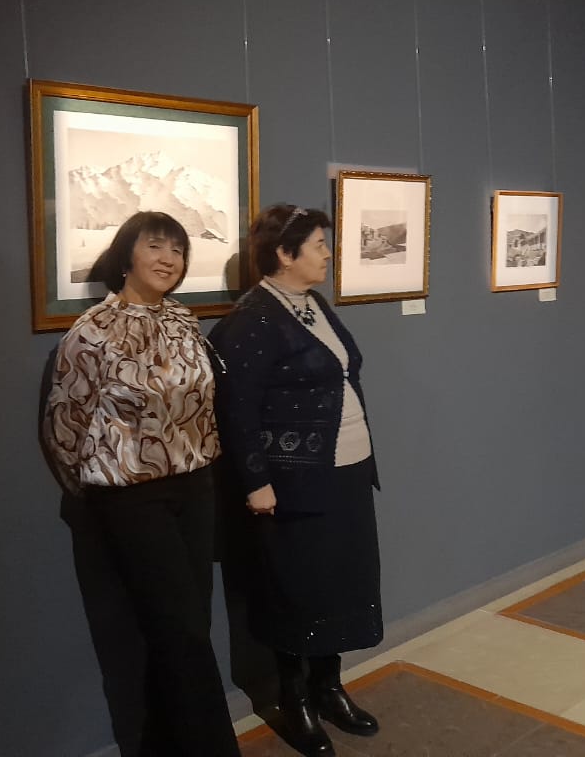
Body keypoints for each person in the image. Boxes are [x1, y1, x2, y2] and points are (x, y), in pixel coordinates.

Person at [43, 211, 240, 757]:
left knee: (186, 625)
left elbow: (204, 406)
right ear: (126, 254)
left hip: (196, 487)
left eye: (177, 250)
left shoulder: (183, 321)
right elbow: (65, 425)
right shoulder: (92, 331)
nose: (168, 259)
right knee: (181, 631)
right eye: (155, 246)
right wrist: (103, 488)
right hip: (132, 497)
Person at [209, 203, 383, 757]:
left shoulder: (313, 304)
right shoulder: (251, 320)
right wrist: (255, 482)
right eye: (318, 245)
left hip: (346, 472)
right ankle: (295, 699)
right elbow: (236, 408)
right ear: (285, 254)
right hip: (294, 482)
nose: (328, 254)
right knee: (297, 590)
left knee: (340, 582)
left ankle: (329, 687)